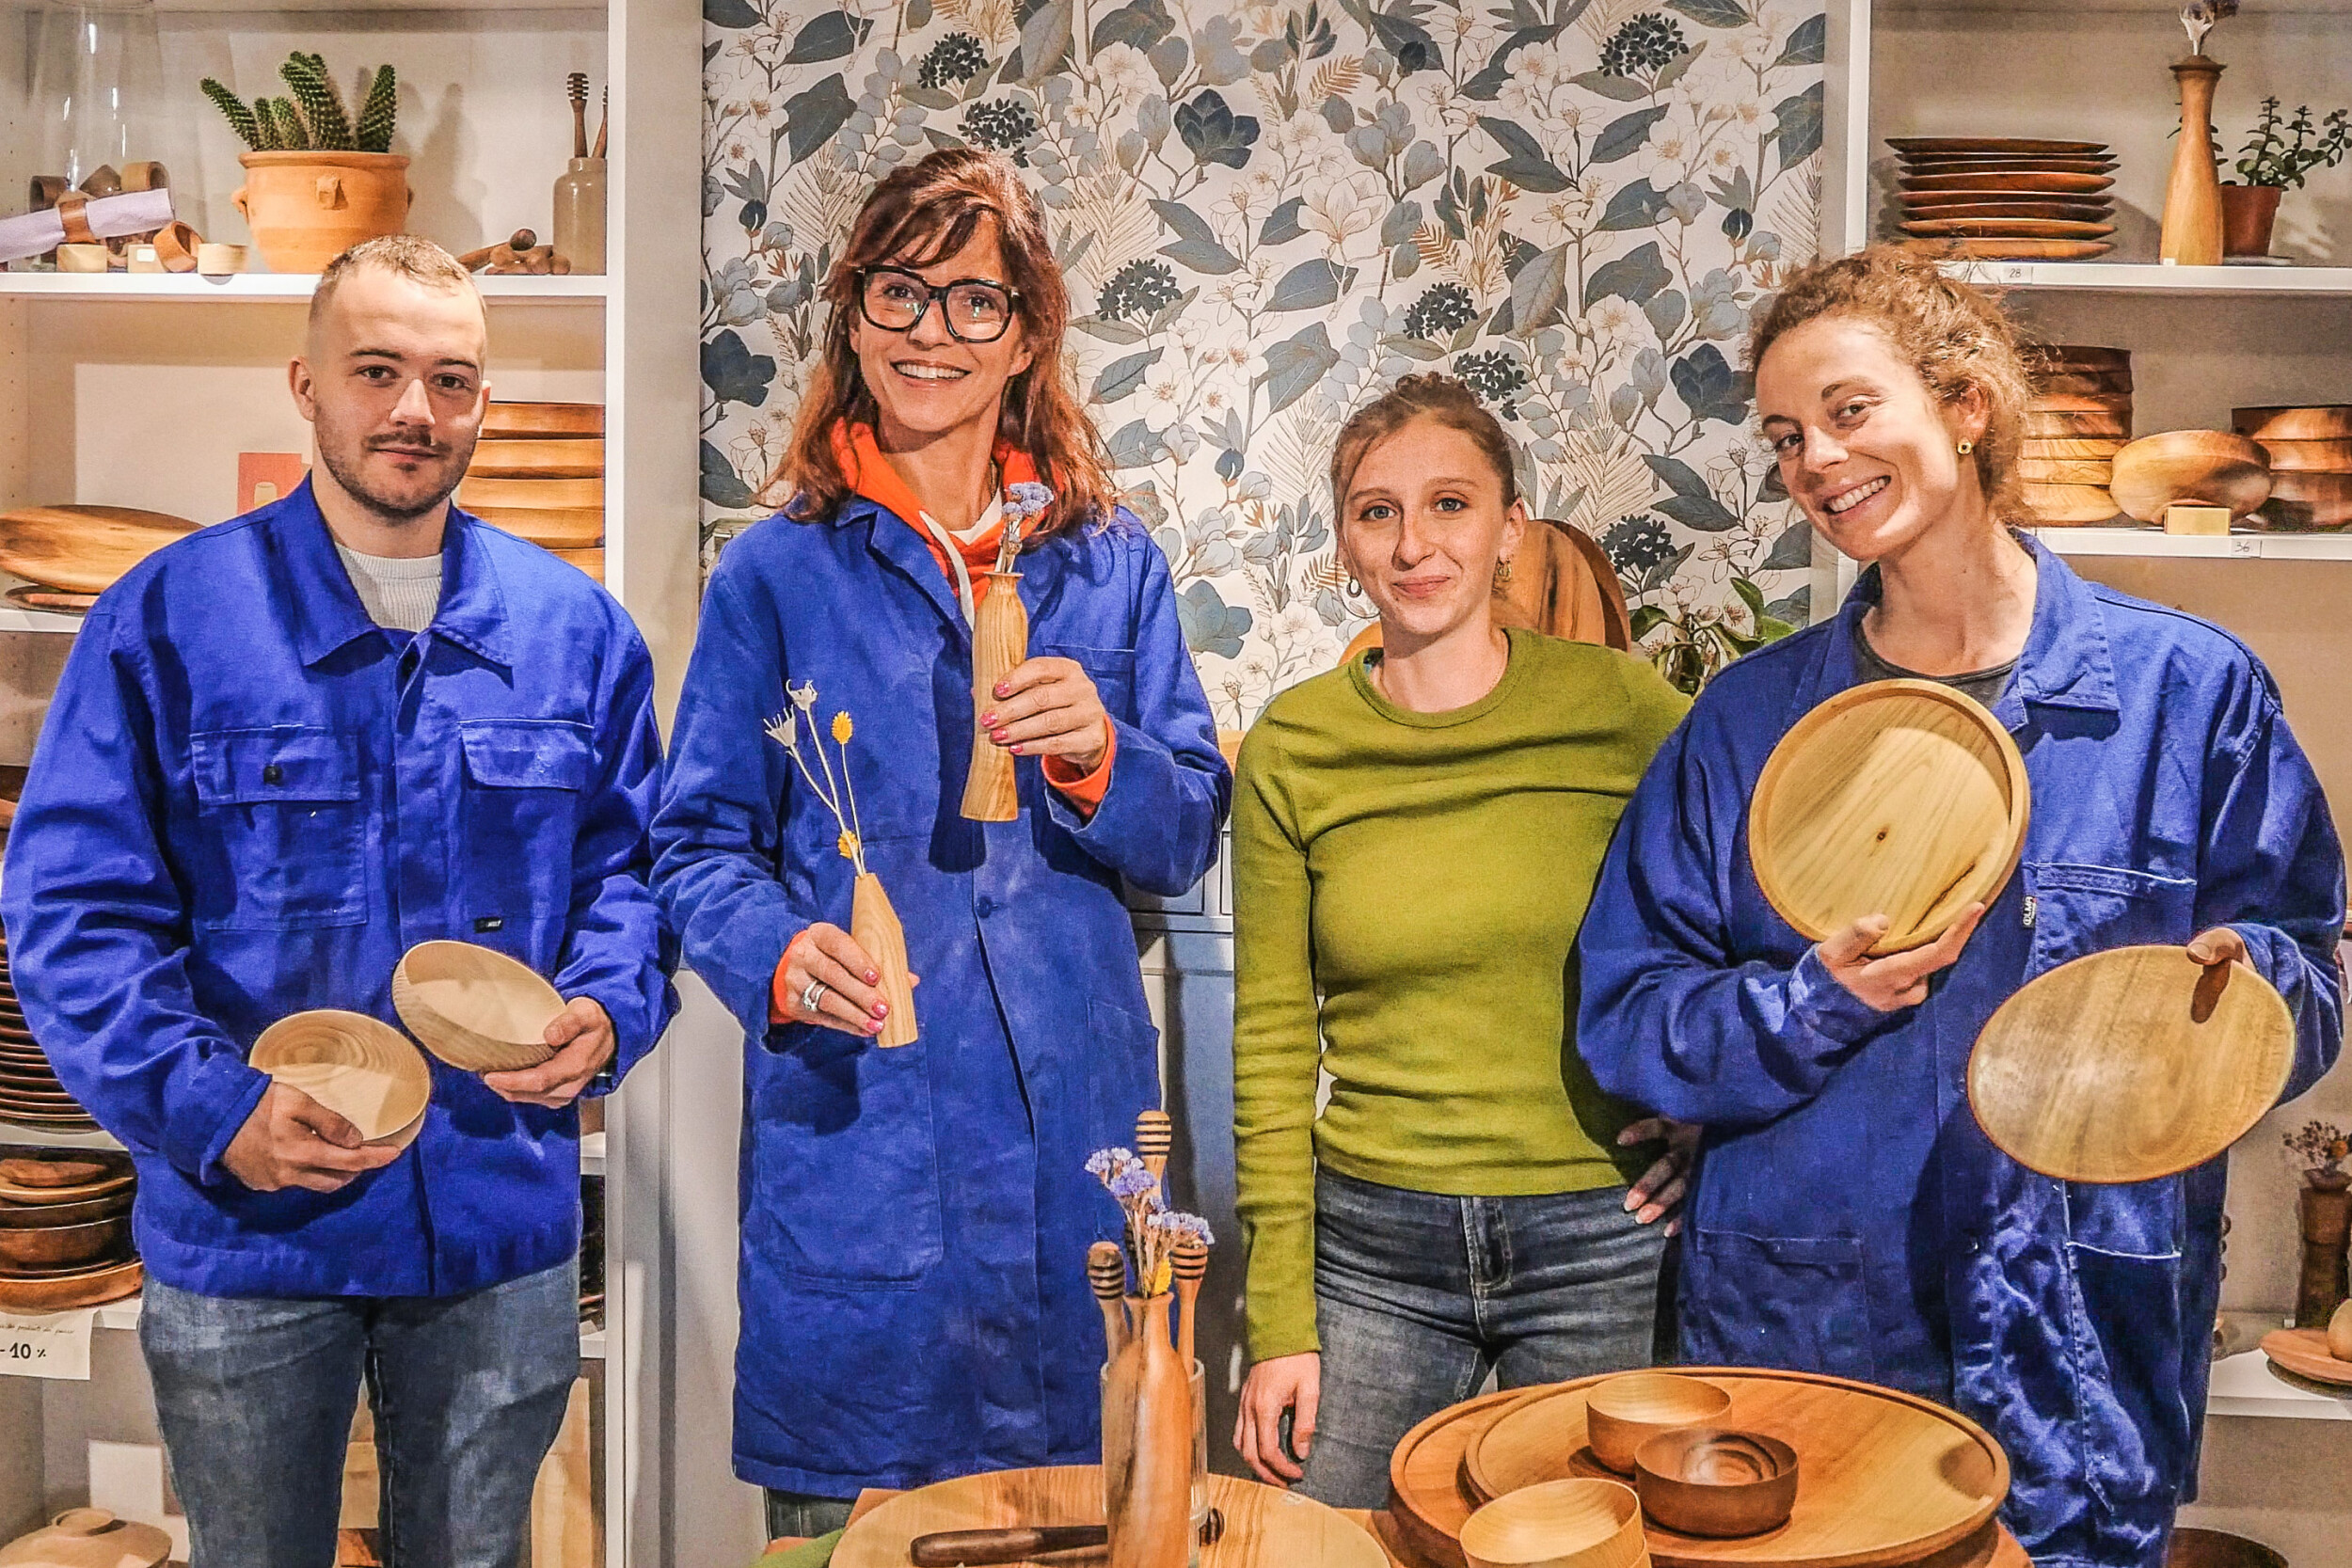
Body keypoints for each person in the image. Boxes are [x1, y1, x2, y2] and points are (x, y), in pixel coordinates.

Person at [1577, 247, 2344, 1568]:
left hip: (2084, 1331)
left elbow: (2309, 971)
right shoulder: (1753, 722)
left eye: (1849, 409)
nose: (1814, 459)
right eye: (1786, 436)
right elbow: (1630, 1013)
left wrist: (2247, 989)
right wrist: (1809, 1001)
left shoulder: (2186, 695)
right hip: (1807, 1333)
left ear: (1967, 403)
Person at [0, 236, 674, 1567]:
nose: (414, 409)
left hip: (495, 1223)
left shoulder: (576, 633)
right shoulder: (165, 620)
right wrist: (215, 1108)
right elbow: (75, 911)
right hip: (249, 1229)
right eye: (377, 370)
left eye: (451, 377)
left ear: (485, 401)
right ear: (305, 385)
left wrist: (609, 1003)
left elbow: (630, 870)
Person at [650, 149, 1228, 1537]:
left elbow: (1188, 822)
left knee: (1090, 1510)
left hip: (1073, 1163)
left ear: (1029, 331)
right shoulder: (777, 573)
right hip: (864, 1147)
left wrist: (1101, 755)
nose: (932, 331)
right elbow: (695, 844)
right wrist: (779, 953)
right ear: (852, 313)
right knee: (853, 1533)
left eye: (976, 301)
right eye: (899, 291)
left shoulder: (1107, 562)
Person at [1228, 374, 1698, 1507]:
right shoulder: (1295, 745)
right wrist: (1280, 1319)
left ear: (1507, 531)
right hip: (1373, 1250)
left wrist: (1715, 1114)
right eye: (1376, 510)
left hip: (1601, 1238)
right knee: (1330, 1543)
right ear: (1344, 539)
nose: (1413, 543)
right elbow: (1271, 1044)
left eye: (1449, 503)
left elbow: (1747, 909)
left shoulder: (1623, 708)